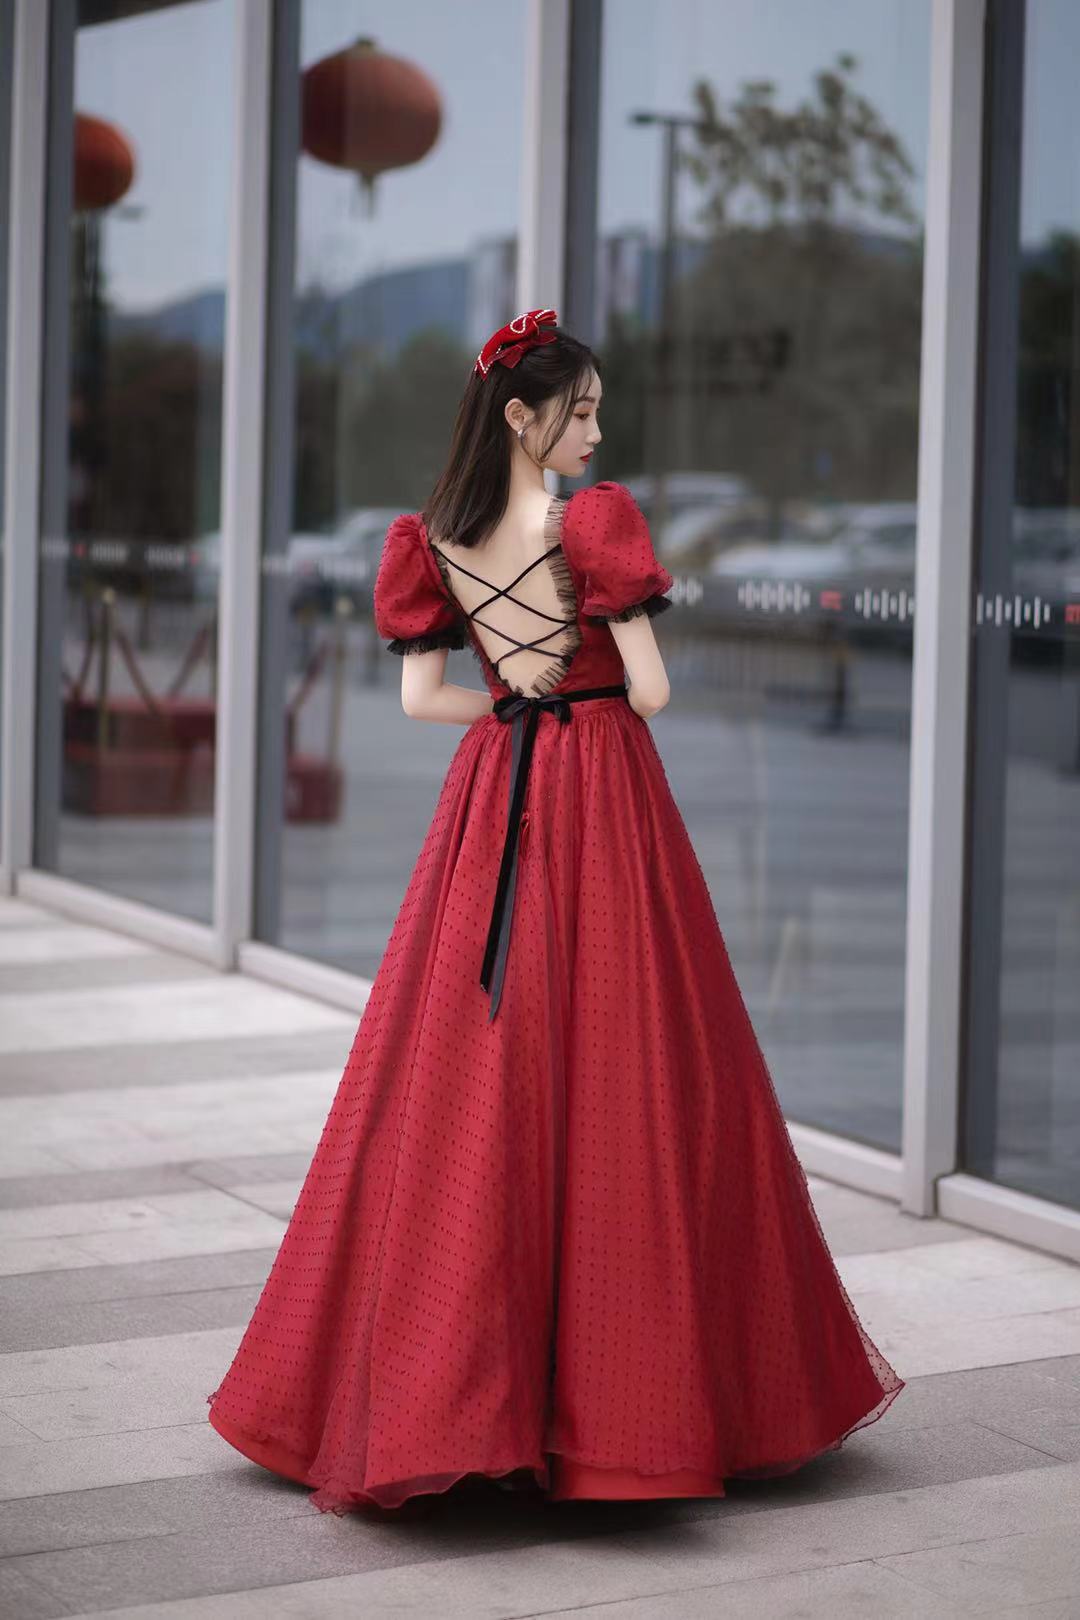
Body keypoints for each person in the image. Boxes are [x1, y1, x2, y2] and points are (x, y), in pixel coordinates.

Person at [206, 307, 904, 1517]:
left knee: (478, 1059)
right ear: (522, 416)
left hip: (496, 794)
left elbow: (424, 701)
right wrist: (582, 677)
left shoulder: (433, 540)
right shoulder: (593, 525)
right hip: (604, 794)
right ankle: (633, 1406)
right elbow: (653, 690)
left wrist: (510, 699)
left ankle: (450, 1391)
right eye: (580, 410)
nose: (596, 431)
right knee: (637, 1054)